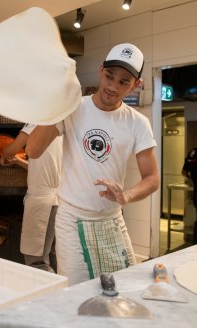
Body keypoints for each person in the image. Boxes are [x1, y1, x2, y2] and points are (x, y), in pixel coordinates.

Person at [25, 43, 160, 285]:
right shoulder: (74, 108)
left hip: (112, 218)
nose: (112, 87)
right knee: (76, 293)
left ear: (136, 85)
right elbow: (33, 150)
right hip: (72, 218)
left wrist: (127, 195)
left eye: (123, 82)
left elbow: (152, 178)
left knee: (123, 288)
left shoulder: (137, 123)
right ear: (101, 71)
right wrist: (57, 105)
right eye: (109, 76)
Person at [0, 124, 62, 273]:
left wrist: (5, 153)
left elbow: (10, 150)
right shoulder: (60, 127)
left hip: (42, 202)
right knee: (53, 256)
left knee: (37, 262)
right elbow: (43, 167)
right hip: (59, 201)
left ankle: (46, 295)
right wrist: (19, 161)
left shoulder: (36, 122)